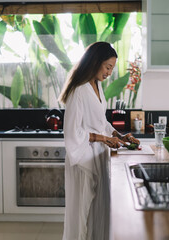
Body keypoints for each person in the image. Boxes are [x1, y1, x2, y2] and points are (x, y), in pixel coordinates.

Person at [58, 41, 140, 240]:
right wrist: (101, 138)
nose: (110, 72)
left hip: (97, 157)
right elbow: (71, 132)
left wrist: (120, 136)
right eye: (108, 67)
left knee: (96, 211)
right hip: (82, 160)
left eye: (112, 68)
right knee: (82, 212)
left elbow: (101, 122)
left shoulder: (96, 87)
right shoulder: (79, 90)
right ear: (95, 62)